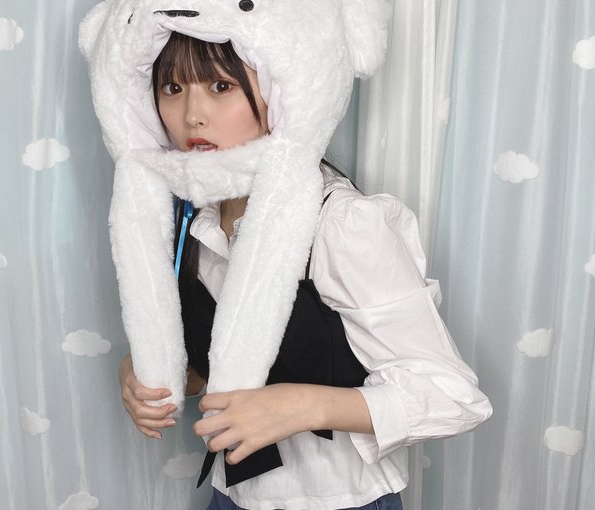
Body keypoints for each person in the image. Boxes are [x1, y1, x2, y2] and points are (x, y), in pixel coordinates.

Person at [116, 32, 492, 510]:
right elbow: (207, 365)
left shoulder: (340, 223)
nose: (193, 114)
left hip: (341, 500)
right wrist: (141, 374)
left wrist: (300, 406)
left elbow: (451, 397)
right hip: (232, 496)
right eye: (173, 88)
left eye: (221, 86)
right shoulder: (188, 219)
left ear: (280, 90)